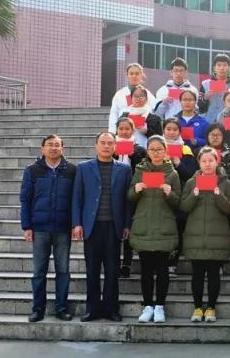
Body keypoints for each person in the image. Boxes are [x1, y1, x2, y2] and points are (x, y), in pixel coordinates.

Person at [71, 132, 133, 322]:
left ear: (115, 146)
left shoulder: (124, 169)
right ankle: (92, 309)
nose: (106, 146)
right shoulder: (84, 168)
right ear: (96, 145)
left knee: (112, 270)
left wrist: (127, 224)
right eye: (103, 143)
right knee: (92, 270)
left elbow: (128, 200)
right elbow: (77, 197)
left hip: (114, 227)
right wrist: (77, 223)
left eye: (110, 143)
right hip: (92, 226)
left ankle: (111, 309)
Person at [20, 135, 77, 322]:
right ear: (42, 148)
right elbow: (25, 199)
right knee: (39, 272)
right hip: (40, 228)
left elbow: (76, 200)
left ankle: (61, 308)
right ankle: (38, 309)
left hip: (63, 228)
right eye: (50, 145)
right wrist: (26, 226)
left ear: (62, 148)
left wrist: (75, 224)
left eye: (57, 145)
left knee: (63, 271)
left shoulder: (72, 170)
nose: (53, 148)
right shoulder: (32, 170)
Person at [128, 135, 181, 324]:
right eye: (152, 149)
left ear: (165, 151)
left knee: (162, 269)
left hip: (164, 226)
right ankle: (148, 305)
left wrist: (170, 193)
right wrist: (136, 189)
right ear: (147, 151)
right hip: (144, 225)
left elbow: (179, 202)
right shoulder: (140, 170)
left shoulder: (172, 173)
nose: (156, 153)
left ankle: (160, 306)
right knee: (146, 270)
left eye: (159, 149)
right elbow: (130, 196)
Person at [179, 147, 230, 323]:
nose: (208, 164)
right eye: (204, 161)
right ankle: (197, 308)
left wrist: (218, 194)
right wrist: (194, 194)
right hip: (195, 237)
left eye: (211, 161)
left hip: (217, 237)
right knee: (197, 275)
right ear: (199, 163)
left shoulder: (225, 183)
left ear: (217, 162)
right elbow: (184, 207)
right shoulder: (191, 182)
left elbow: (229, 209)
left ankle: (211, 308)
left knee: (213, 275)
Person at [162, 118, 199, 276]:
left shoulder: (186, 149)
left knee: (177, 230)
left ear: (179, 132)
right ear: (163, 130)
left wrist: (178, 163)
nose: (171, 132)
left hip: (180, 196)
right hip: (160, 196)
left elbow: (191, 174)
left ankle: (173, 263)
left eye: (174, 129)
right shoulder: (157, 147)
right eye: (168, 129)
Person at [112, 118, 147, 279]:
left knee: (129, 226)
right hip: (114, 192)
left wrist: (134, 156)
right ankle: (113, 262)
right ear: (117, 130)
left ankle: (126, 263)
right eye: (121, 128)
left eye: (127, 129)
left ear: (132, 130)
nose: (124, 132)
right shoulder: (111, 146)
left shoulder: (139, 149)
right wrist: (115, 154)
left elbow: (143, 169)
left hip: (133, 191)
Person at [108, 63, 156, 132]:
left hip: (142, 133)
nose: (134, 76)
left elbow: (153, 113)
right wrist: (112, 131)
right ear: (127, 75)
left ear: (141, 75)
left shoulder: (148, 95)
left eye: (137, 73)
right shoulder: (120, 94)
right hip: (123, 132)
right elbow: (114, 114)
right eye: (131, 73)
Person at [198, 53, 230, 124]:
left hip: (226, 122)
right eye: (219, 65)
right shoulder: (205, 84)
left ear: (229, 68)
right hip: (208, 122)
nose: (222, 68)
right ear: (214, 68)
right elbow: (199, 108)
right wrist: (205, 98)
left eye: (225, 65)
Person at [205, 123, 230, 189]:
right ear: (207, 136)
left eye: (218, 135)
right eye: (212, 135)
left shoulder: (229, 154)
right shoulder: (200, 152)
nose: (215, 137)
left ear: (223, 136)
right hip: (204, 185)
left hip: (223, 187)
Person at [175, 90, 209, 156]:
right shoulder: (173, 120)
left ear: (195, 102)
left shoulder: (203, 122)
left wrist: (197, 141)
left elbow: (209, 141)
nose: (187, 102)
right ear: (180, 102)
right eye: (184, 100)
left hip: (196, 157)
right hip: (176, 157)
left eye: (190, 100)